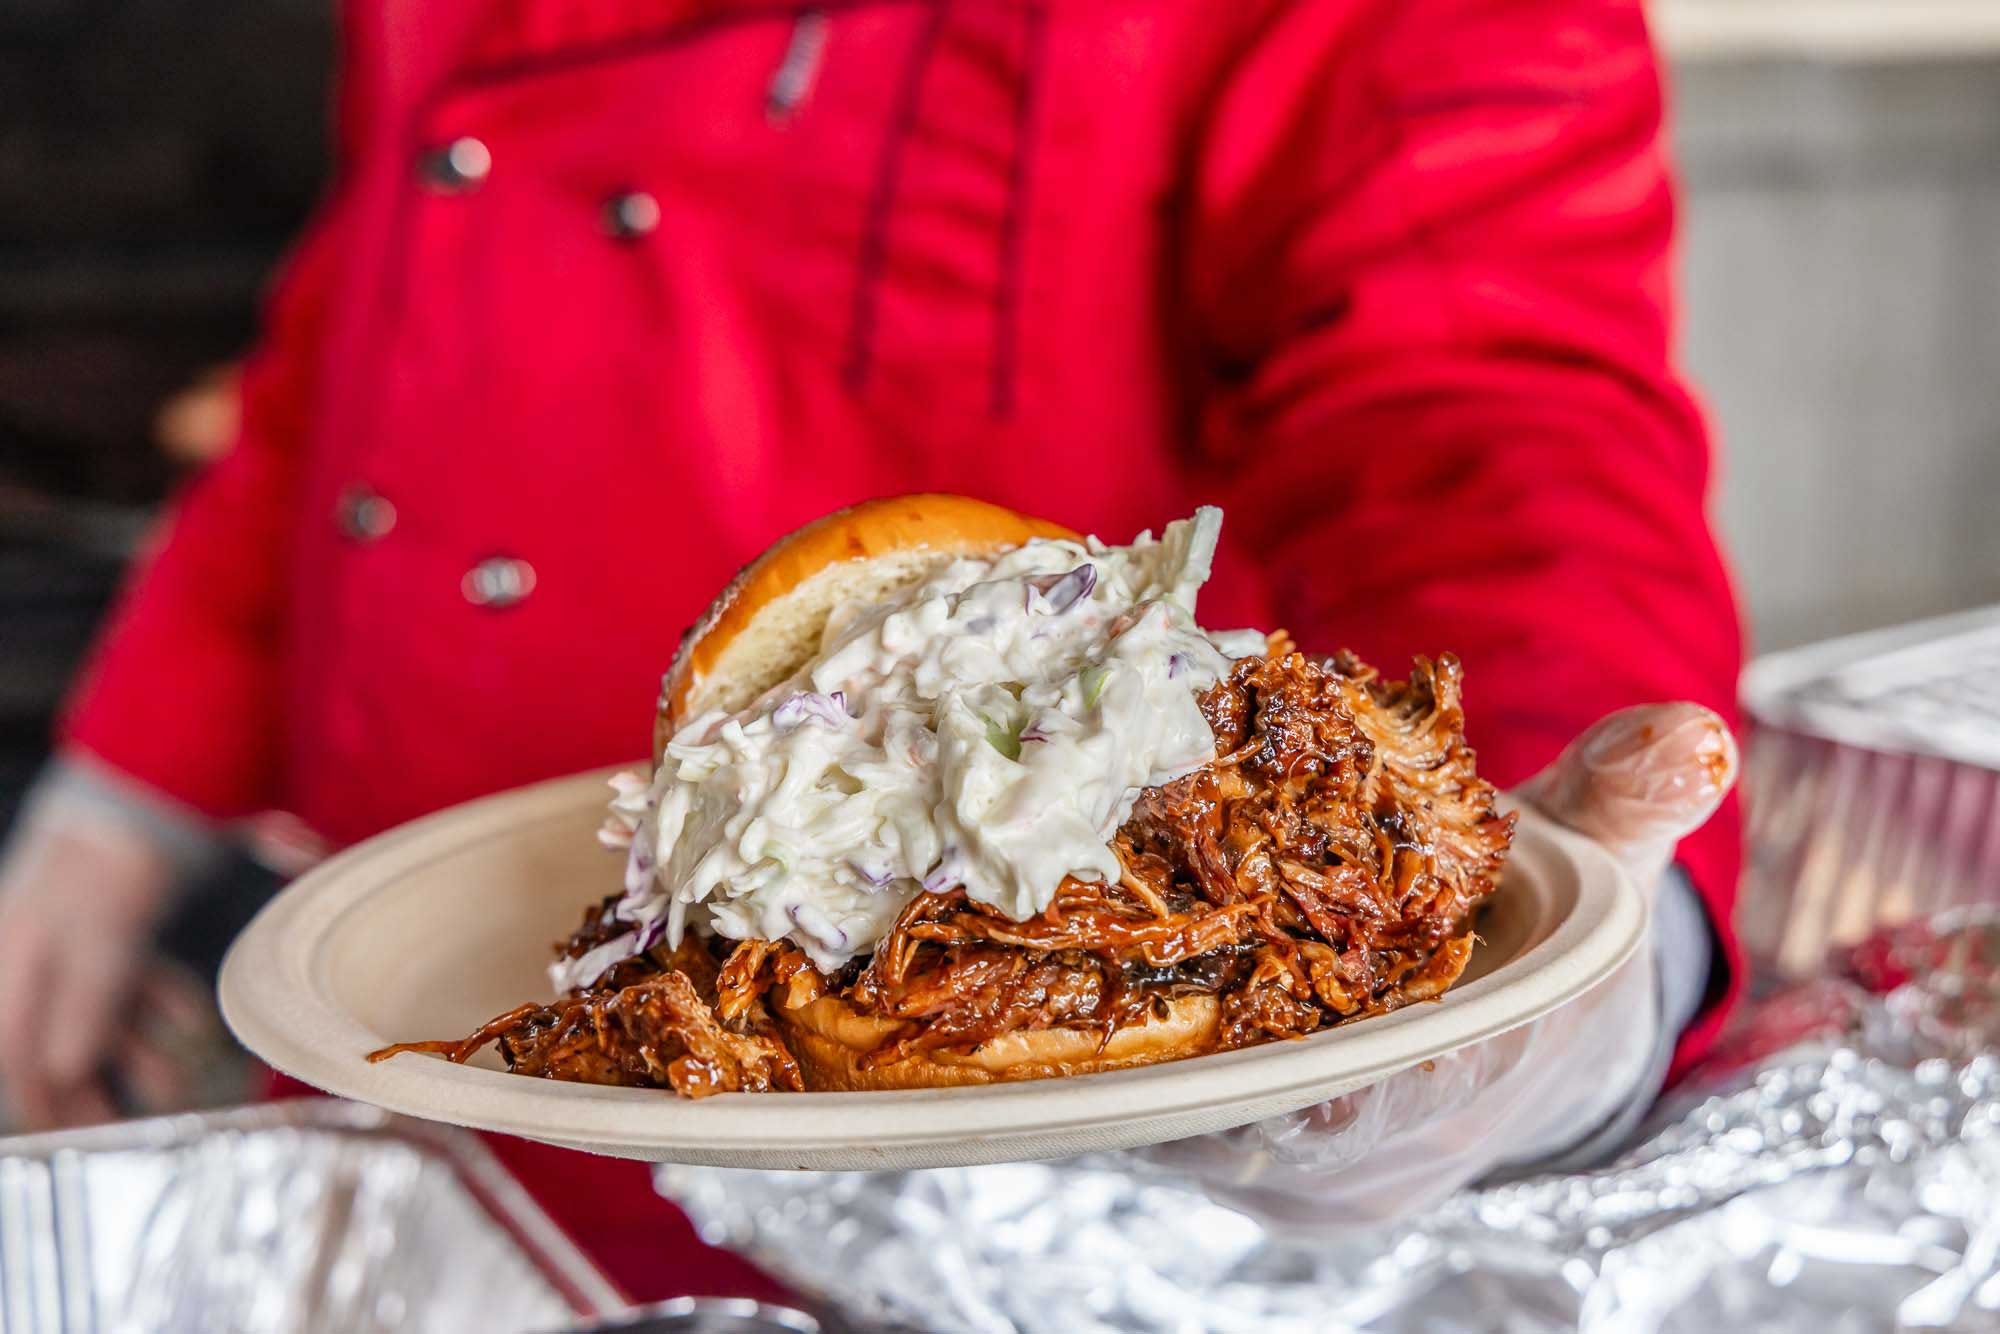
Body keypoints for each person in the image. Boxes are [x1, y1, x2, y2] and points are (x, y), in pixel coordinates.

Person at [0, 0, 1742, 1303]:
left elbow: (1485, 406)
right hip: (447, 1069)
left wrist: (1569, 964)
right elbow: (374, 297)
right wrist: (120, 795)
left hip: (1000, 1201)